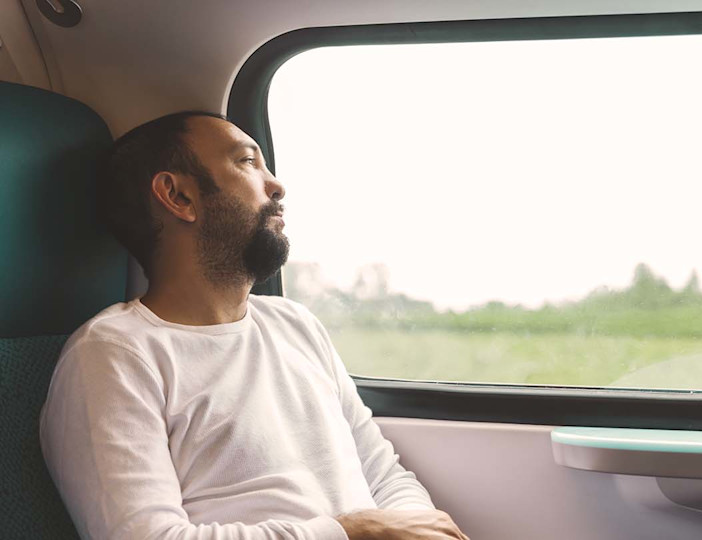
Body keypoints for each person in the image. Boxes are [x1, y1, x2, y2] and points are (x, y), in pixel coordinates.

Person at [39, 112, 470, 540]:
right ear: (178, 196)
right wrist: (351, 533)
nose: (277, 185)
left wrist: (416, 529)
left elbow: (382, 474)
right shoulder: (113, 354)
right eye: (248, 162)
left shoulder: (294, 324)